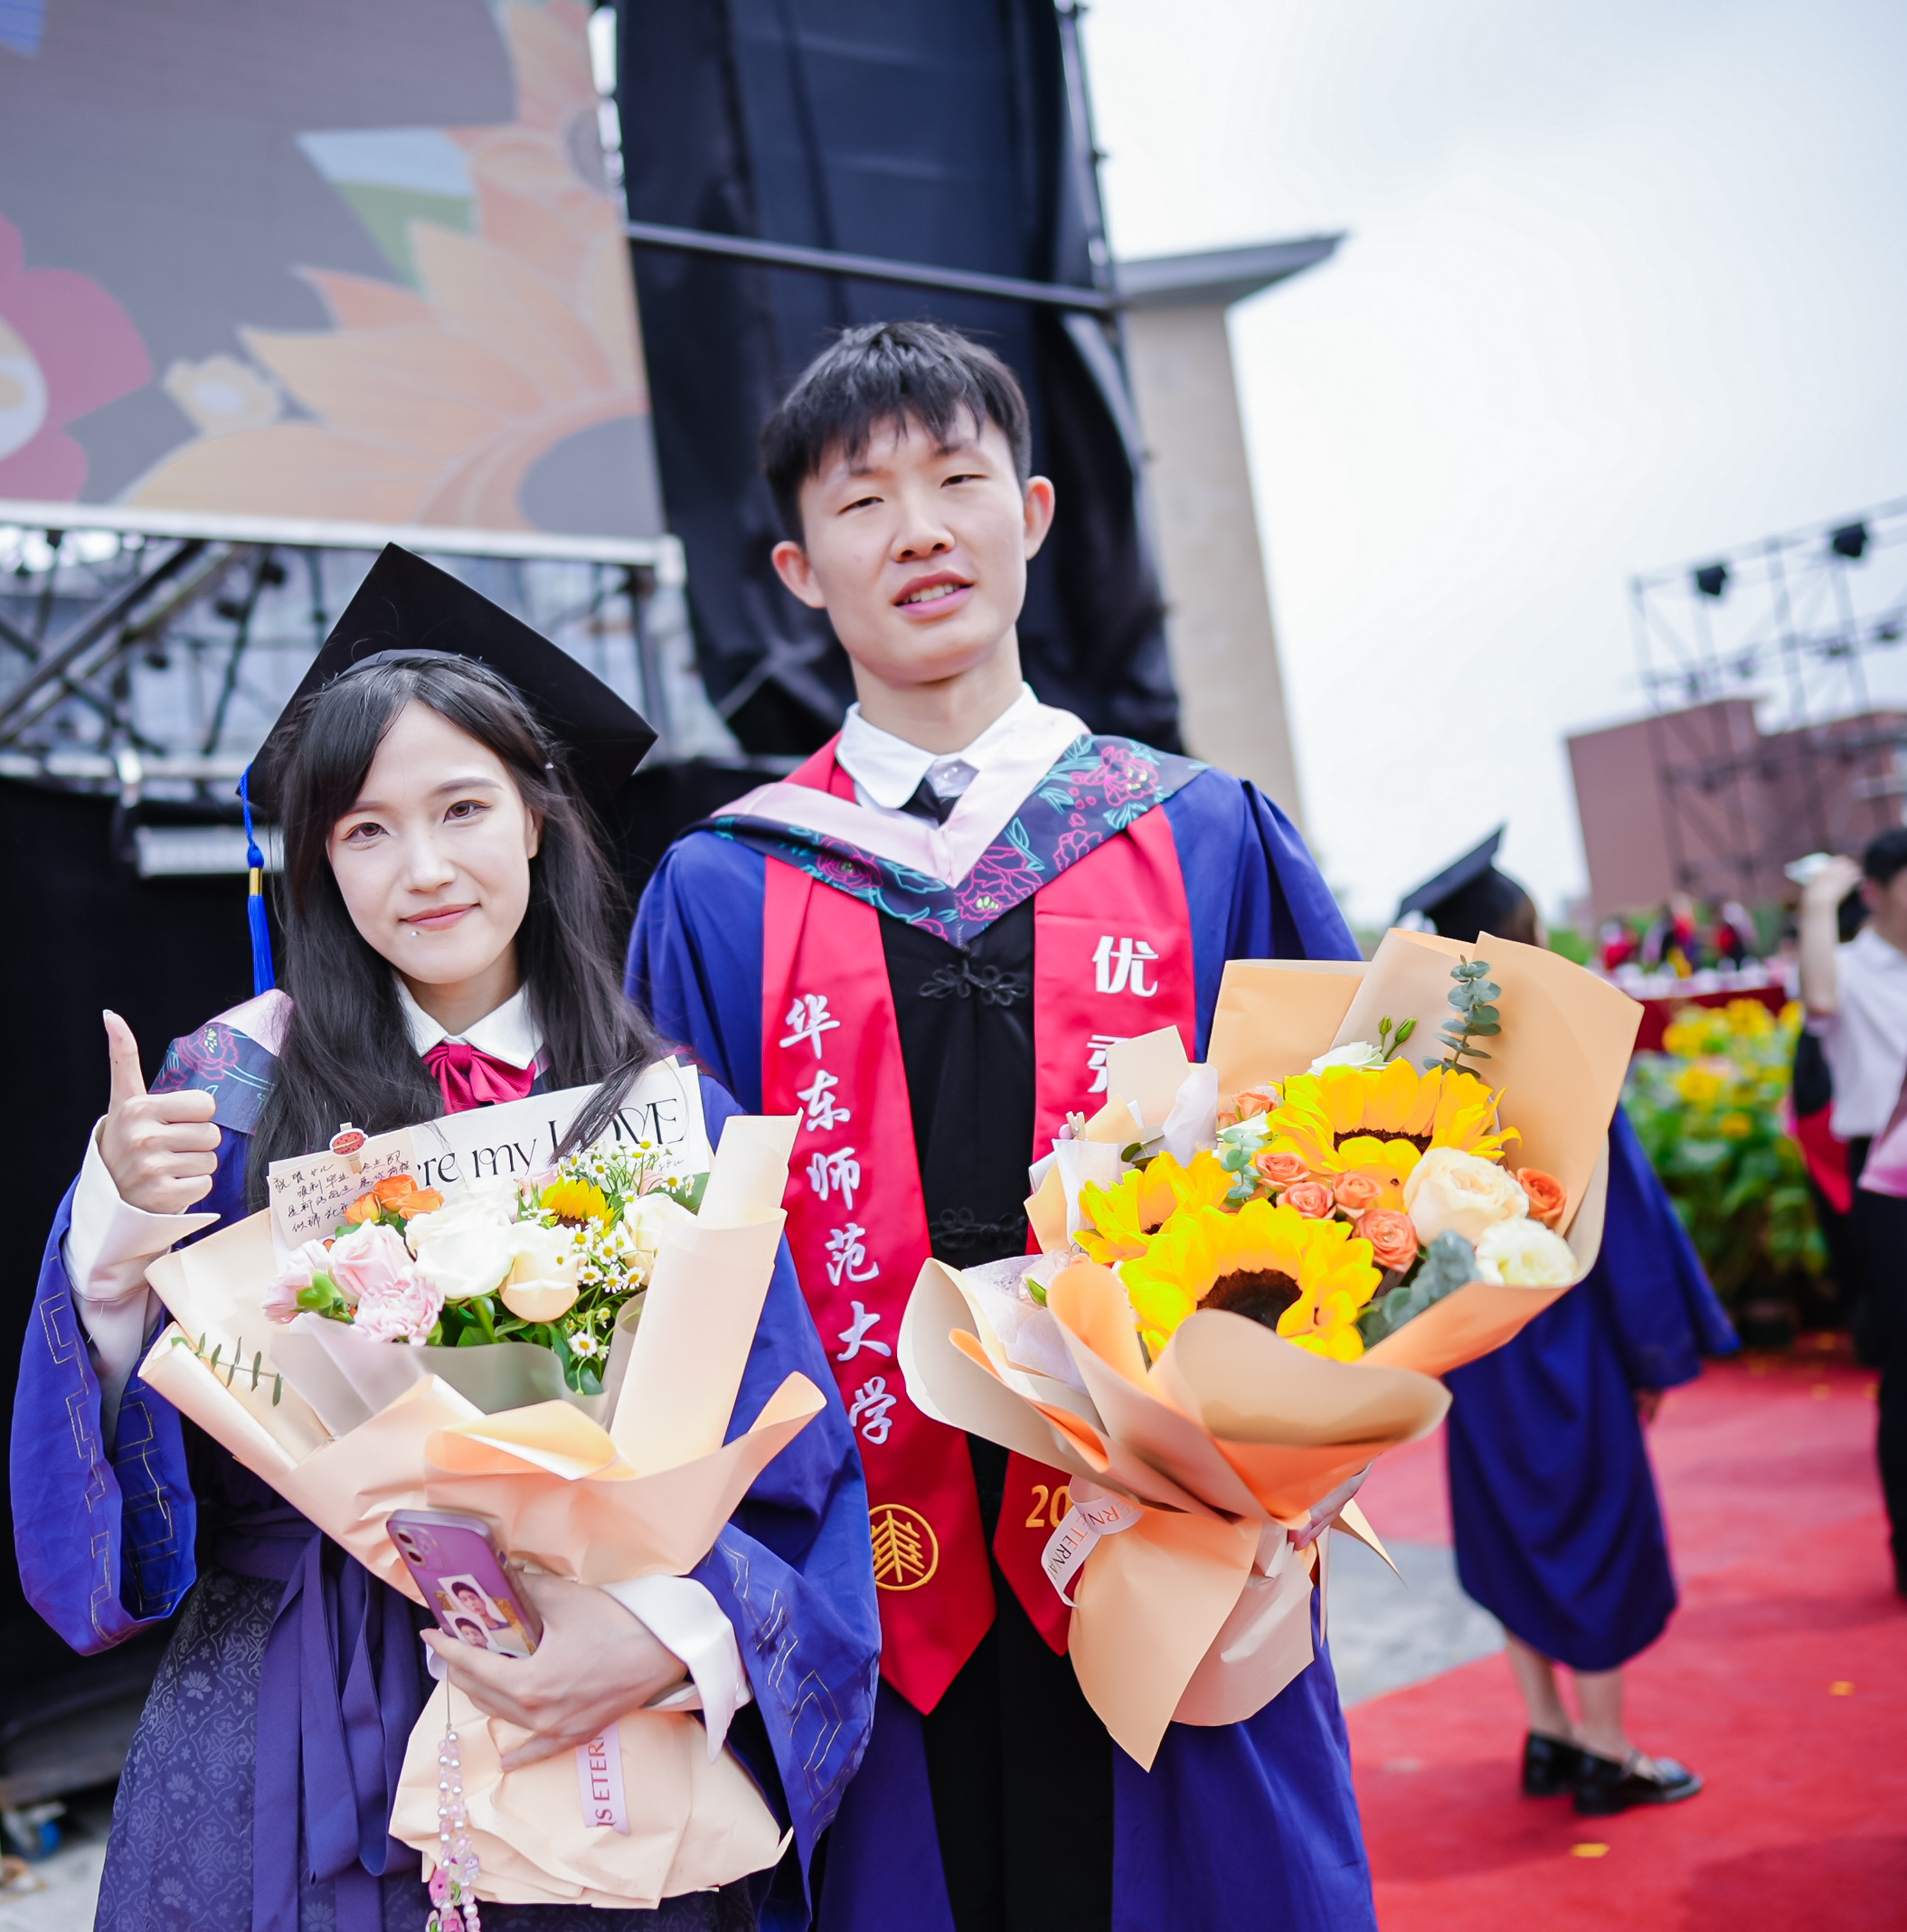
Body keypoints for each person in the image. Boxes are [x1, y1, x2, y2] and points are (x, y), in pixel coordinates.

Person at [8, 549, 880, 1932]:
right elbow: (142, 1475)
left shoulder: (667, 1113)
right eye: (364, 829)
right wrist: (114, 1241)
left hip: (593, 1713)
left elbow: (789, 1463)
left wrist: (662, 1633)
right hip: (296, 1715)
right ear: (316, 859)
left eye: (462, 808)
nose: (422, 869)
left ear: (537, 818)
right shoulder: (232, 1093)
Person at [628, 322, 1371, 1932]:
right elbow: (677, 1281)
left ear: (1031, 515)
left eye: (958, 481)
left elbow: (1350, 1176)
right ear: (797, 570)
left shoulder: (1203, 834)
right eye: (863, 501)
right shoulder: (724, 890)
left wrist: (1293, 1439)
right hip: (869, 1579)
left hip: (1174, 1545)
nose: (920, 531)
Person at [1398, 843, 1735, 1814]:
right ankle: (1605, 1747)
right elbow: (1625, 1217)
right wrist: (1652, 1348)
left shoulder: (1418, 1066)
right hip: (1565, 1328)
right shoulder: (1568, 1050)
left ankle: (1546, 1729)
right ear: (1527, 936)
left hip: (1474, 1339)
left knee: (1509, 1528)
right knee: (1594, 1526)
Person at [1798, 830, 1907, 1594]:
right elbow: (1819, 999)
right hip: (1889, 1182)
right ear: (1876, 891)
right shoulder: (1850, 966)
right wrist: (1816, 903)